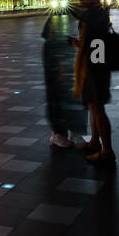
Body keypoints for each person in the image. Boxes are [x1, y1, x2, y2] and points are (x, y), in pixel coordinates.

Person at [69, 0, 115, 165]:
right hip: (95, 64)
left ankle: (108, 152)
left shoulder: (94, 14)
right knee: (93, 106)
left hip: (94, 67)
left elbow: (92, 44)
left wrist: (76, 43)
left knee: (97, 108)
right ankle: (95, 142)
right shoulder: (97, 13)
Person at [41, 11, 81, 147]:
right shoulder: (60, 15)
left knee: (70, 95)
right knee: (56, 95)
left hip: (67, 55)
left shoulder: (72, 15)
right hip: (57, 59)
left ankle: (72, 130)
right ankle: (58, 133)